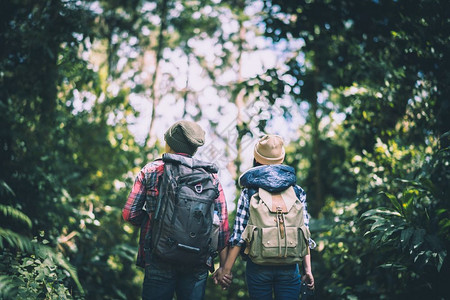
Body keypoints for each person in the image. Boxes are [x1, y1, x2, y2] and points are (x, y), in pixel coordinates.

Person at [123, 120, 230, 300]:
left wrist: (154, 220)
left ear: (168, 143)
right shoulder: (211, 178)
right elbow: (221, 227)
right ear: (194, 148)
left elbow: (129, 213)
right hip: (197, 261)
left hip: (159, 256)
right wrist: (224, 268)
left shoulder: (152, 170)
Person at [216, 135, 315, 299]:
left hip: (258, 266)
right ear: (282, 158)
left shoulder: (249, 191)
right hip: (290, 266)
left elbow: (240, 235)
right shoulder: (297, 191)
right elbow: (304, 233)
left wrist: (226, 270)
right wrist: (308, 270)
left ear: (257, 159)